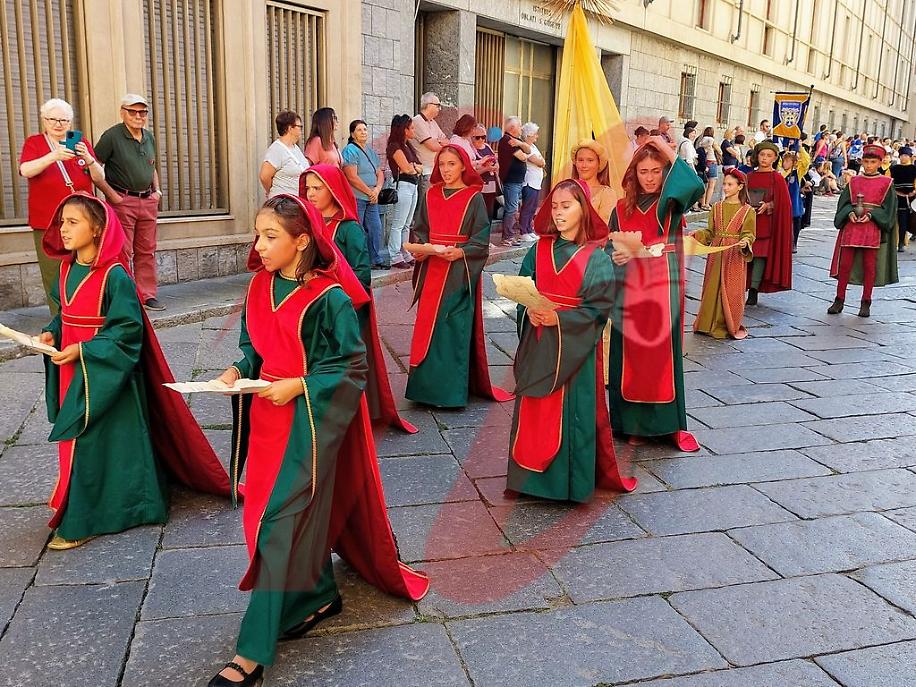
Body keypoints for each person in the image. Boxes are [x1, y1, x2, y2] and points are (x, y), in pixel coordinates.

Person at [208, 195, 428, 686]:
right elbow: (253, 347)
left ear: (301, 241)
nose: (259, 246)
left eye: (270, 236)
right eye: (257, 235)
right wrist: (238, 368)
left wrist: (301, 385)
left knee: (275, 530)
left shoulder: (329, 299)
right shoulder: (257, 286)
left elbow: (351, 367)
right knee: (259, 524)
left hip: (310, 426)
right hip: (266, 422)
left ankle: (250, 655)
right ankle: (315, 596)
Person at [38, 193, 230, 550]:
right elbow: (66, 311)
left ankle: (90, 518)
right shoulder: (66, 269)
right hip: (73, 371)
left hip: (107, 376)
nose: (62, 228)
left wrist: (84, 349)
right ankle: (87, 502)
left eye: (72, 222)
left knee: (94, 440)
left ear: (97, 229)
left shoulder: (115, 276)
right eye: (61, 221)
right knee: (77, 441)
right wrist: (53, 331)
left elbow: (127, 331)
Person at [507, 179, 637, 502]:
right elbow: (524, 285)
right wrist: (530, 309)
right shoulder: (539, 248)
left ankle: (565, 484)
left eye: (567, 206)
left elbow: (599, 308)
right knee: (534, 408)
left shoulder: (596, 257)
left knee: (569, 411)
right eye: (554, 206)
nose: (559, 212)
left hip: (574, 350)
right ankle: (529, 480)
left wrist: (559, 319)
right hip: (539, 341)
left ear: (584, 209)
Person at [300, 164, 417, 434]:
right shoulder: (308, 225)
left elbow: (361, 274)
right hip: (312, 308)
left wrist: (334, 295)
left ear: (333, 189)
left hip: (342, 309)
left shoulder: (349, 229)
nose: (311, 193)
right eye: (308, 188)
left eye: (318, 188)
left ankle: (350, 416)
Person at [606, 138, 705, 452]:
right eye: (643, 171)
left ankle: (662, 425)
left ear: (665, 172)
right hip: (629, 291)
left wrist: (663, 147)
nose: (649, 177)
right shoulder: (621, 208)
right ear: (633, 173)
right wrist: (616, 256)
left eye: (656, 170)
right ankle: (628, 423)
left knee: (658, 360)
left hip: (662, 289)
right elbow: (610, 248)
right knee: (628, 358)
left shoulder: (670, 204)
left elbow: (694, 183)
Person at [405, 144, 512, 408]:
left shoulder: (473, 198)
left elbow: (480, 240)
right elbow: (420, 229)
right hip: (432, 269)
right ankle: (424, 390)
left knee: (452, 327)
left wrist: (461, 252)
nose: (446, 169)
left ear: (464, 165)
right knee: (427, 327)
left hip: (458, 273)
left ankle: (449, 394)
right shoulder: (431, 195)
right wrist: (420, 249)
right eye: (442, 165)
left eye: (451, 164)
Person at [18, 98, 110, 313]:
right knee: (53, 271)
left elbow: (99, 177)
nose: (58, 124)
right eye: (53, 119)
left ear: (70, 122)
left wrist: (89, 159)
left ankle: (86, 311)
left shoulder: (81, 143)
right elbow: (26, 170)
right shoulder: (35, 143)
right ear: (44, 120)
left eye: (64, 120)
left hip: (83, 220)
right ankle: (59, 318)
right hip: (47, 221)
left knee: (85, 266)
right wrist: (53, 156)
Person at [94, 94, 164, 310]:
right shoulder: (112, 136)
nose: (138, 116)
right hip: (123, 201)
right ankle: (124, 296)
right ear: (122, 112)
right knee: (122, 250)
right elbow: (94, 168)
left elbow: (151, 165)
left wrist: (158, 191)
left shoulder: (148, 137)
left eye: (142, 112)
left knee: (147, 250)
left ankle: (147, 294)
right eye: (132, 111)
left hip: (147, 200)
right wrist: (112, 195)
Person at [827, 144, 898, 319]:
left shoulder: (887, 183)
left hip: (872, 228)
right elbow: (843, 204)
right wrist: (849, 213)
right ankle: (839, 299)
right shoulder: (854, 181)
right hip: (852, 227)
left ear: (880, 163)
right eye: (866, 161)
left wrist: (873, 215)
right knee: (845, 265)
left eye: (873, 162)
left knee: (869, 266)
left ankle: (866, 301)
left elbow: (889, 209)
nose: (868, 165)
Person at [692, 169, 756, 340]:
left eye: (730, 184)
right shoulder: (717, 207)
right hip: (717, 252)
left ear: (740, 187)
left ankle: (724, 324)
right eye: (725, 184)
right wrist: (696, 236)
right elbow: (710, 232)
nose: (726, 188)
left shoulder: (748, 211)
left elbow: (749, 233)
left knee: (731, 289)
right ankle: (706, 323)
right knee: (712, 287)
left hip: (734, 254)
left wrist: (746, 242)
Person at [745, 141, 793, 305]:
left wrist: (769, 205)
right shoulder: (749, 177)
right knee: (745, 255)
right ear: (757, 156)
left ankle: (754, 289)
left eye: (769, 155)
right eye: (762, 154)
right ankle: (739, 286)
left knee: (759, 257)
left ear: (774, 158)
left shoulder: (777, 178)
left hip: (766, 224)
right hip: (748, 223)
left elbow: (784, 203)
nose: (765, 158)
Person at [342, 119, 387, 269]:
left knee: (375, 228)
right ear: (352, 134)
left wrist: (377, 189)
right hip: (357, 197)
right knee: (358, 230)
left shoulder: (370, 151)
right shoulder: (350, 150)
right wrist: (369, 192)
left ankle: (375, 259)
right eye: (360, 130)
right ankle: (358, 262)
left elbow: (379, 172)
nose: (363, 132)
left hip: (372, 198)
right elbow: (352, 177)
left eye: (365, 129)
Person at [385, 114, 424, 268]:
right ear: (404, 130)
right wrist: (413, 167)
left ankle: (405, 251)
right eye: (411, 127)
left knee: (407, 223)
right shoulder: (395, 146)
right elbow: (407, 168)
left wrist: (414, 167)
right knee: (398, 223)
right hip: (403, 186)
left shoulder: (408, 146)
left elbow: (419, 167)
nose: (414, 130)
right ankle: (394, 255)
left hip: (413, 185)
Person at [497, 116, 533, 247]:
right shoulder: (507, 140)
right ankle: (507, 237)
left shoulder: (516, 140)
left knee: (514, 208)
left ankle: (510, 236)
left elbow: (528, 150)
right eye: (520, 126)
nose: (521, 128)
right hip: (511, 181)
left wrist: (520, 144)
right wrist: (522, 147)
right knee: (511, 209)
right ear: (512, 128)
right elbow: (524, 157)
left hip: (517, 181)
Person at [260, 110, 309, 199]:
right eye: (299, 127)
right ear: (290, 128)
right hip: (283, 202)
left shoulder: (295, 148)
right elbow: (264, 176)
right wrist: (272, 191)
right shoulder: (276, 149)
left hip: (297, 201)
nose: (301, 130)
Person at [410, 91, 449, 198]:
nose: (439, 109)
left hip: (435, 169)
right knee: (426, 205)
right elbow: (433, 146)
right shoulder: (417, 121)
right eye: (437, 105)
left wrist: (437, 141)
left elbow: (447, 141)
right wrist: (439, 142)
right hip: (426, 171)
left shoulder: (433, 122)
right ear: (428, 105)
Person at [571, 139, 615, 223]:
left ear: (599, 164)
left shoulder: (606, 194)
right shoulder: (566, 190)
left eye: (590, 160)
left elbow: (605, 227)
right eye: (580, 160)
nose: (584, 165)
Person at [518, 121, 546, 239]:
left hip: (536, 183)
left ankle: (529, 229)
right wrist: (541, 161)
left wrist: (541, 161)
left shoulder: (534, 147)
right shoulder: (526, 147)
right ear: (529, 135)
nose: (537, 136)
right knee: (527, 207)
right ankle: (523, 231)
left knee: (533, 207)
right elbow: (539, 162)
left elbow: (542, 161)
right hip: (529, 182)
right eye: (535, 134)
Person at [471, 125, 500, 219]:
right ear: (472, 137)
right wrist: (486, 169)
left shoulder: (487, 146)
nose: (481, 140)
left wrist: (495, 166)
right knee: (480, 214)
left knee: (489, 212)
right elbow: (471, 172)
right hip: (479, 186)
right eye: (477, 137)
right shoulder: (471, 150)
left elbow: (496, 162)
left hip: (491, 184)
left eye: (483, 137)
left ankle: (487, 233)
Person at [890, 146, 916, 251]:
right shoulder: (893, 168)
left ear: (910, 157)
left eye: (906, 156)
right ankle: (900, 243)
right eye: (901, 156)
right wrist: (895, 192)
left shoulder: (914, 169)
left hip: (912, 198)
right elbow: (889, 182)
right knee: (902, 220)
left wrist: (914, 192)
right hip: (898, 197)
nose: (903, 158)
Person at [780, 150, 805, 251]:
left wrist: (800, 148)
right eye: (784, 161)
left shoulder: (797, 173)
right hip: (783, 203)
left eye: (787, 161)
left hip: (794, 204)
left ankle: (794, 243)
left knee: (795, 225)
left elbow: (805, 162)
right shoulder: (781, 174)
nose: (785, 163)